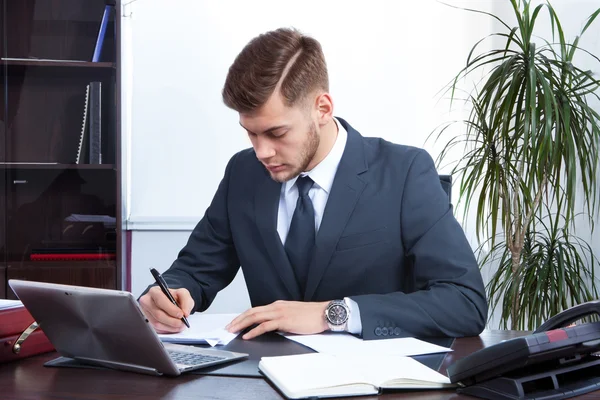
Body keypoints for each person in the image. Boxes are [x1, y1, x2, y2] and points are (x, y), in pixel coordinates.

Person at [139, 27, 487, 340]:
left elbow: (464, 302)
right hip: (265, 381)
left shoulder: (404, 172)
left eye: (276, 133)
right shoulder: (243, 174)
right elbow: (196, 269)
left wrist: (331, 314)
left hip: (376, 386)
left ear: (322, 108)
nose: (261, 151)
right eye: (250, 133)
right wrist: (169, 292)